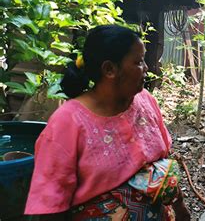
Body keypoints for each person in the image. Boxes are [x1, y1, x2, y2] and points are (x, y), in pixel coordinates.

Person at [24, 25, 191, 220]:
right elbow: (50, 203)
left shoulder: (145, 100)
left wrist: (180, 208)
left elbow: (163, 163)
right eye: (138, 62)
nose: (146, 68)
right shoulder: (67, 122)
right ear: (110, 69)